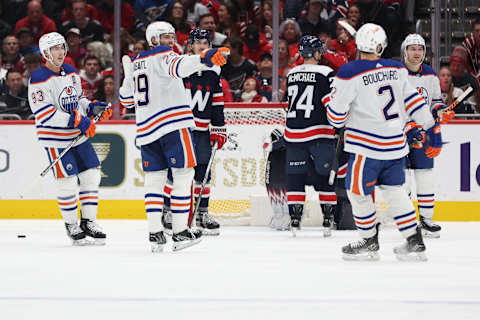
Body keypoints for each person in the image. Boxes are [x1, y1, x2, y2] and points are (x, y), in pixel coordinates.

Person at [326, 23, 442, 261]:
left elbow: (336, 118)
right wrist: (433, 129)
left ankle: (369, 240)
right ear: (380, 46)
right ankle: (414, 240)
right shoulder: (397, 68)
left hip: (366, 149)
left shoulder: (349, 72)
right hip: (395, 147)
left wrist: (332, 102)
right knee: (396, 193)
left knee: (357, 192)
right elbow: (414, 103)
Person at [119, 21, 229, 252]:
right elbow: (180, 66)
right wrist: (205, 58)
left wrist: (128, 75)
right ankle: (179, 232)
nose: (172, 40)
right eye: (167, 37)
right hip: (173, 127)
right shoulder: (164, 56)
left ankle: (155, 233)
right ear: (155, 39)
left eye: (172, 36)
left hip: (146, 130)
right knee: (183, 175)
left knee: (154, 180)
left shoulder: (138, 62)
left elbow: (126, 100)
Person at [28, 32, 111, 245]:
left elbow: (78, 99)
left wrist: (92, 107)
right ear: (45, 53)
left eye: (62, 47)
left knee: (92, 175)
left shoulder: (71, 72)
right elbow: (45, 114)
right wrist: (79, 121)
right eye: (55, 48)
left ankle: (89, 221)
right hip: (55, 139)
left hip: (77, 137)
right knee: (67, 182)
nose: (60, 52)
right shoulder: (38, 78)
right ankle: (71, 224)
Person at [284, 35, 337, 237]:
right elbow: (330, 105)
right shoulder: (326, 73)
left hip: (294, 133)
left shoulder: (292, 74)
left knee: (295, 177)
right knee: (326, 178)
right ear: (316, 53)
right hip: (319, 133)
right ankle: (327, 218)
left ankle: (295, 219)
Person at [401, 34, 451, 238]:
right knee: (401, 181)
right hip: (398, 134)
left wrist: (441, 110)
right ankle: (406, 222)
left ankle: (426, 220)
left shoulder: (431, 75)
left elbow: (435, 102)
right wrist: (407, 124)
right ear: (405, 51)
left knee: (425, 177)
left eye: (420, 49)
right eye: (412, 48)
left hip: (423, 133)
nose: (417, 53)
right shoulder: (396, 74)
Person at [181, 28, 225, 235]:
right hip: (181, 129)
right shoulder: (181, 67)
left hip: (201, 131)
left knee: (203, 173)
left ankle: (202, 213)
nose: (201, 46)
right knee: (176, 173)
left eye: (205, 43)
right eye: (197, 42)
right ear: (190, 45)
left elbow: (217, 102)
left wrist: (219, 127)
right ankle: (169, 212)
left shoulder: (214, 71)